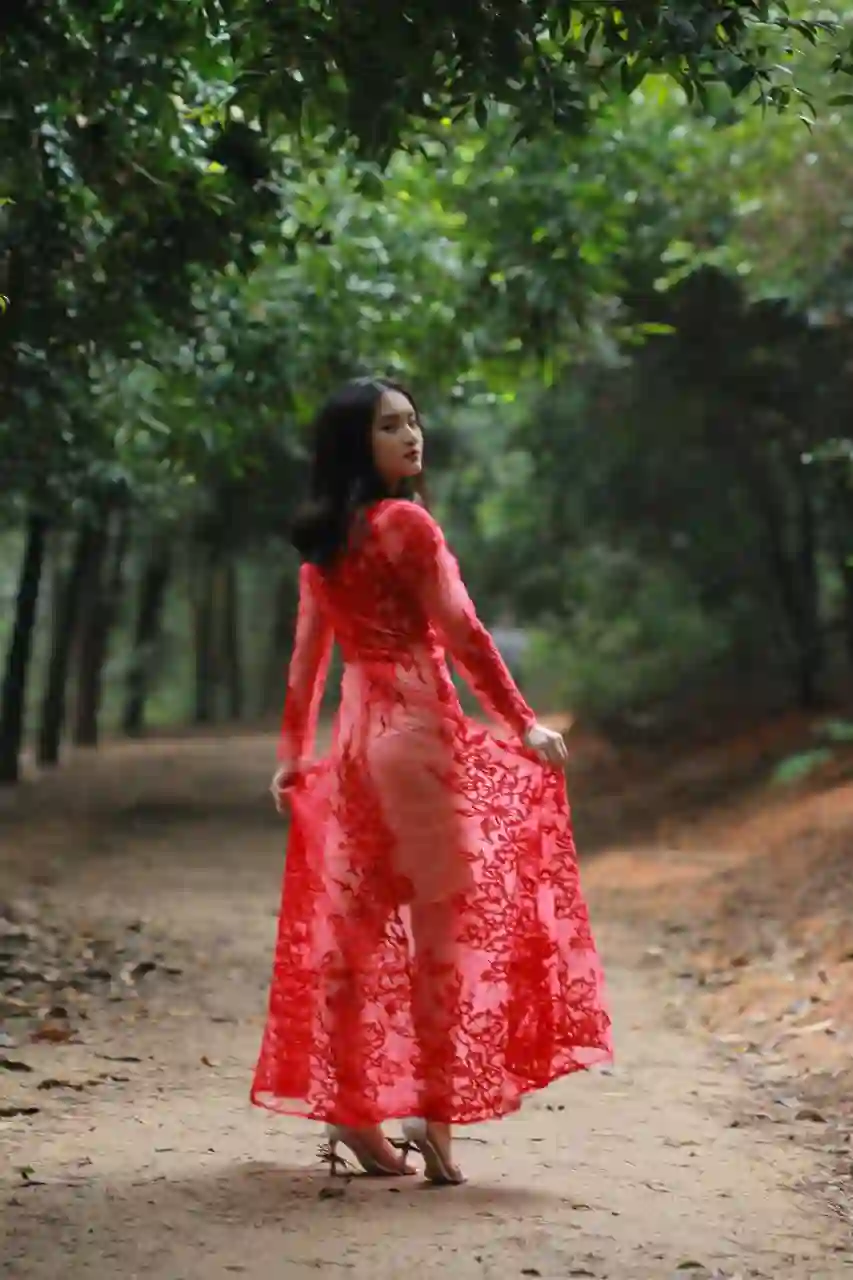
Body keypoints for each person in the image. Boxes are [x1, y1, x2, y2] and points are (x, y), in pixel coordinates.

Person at [251, 377, 612, 1185]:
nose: (412, 435)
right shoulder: (406, 525)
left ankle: (352, 1108)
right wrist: (521, 721)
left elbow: (307, 661)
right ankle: (434, 1114)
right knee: (441, 933)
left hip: (356, 746)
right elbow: (460, 629)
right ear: (357, 443)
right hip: (415, 740)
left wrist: (292, 753)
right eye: (390, 425)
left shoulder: (325, 545)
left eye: (413, 420)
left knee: (356, 931)